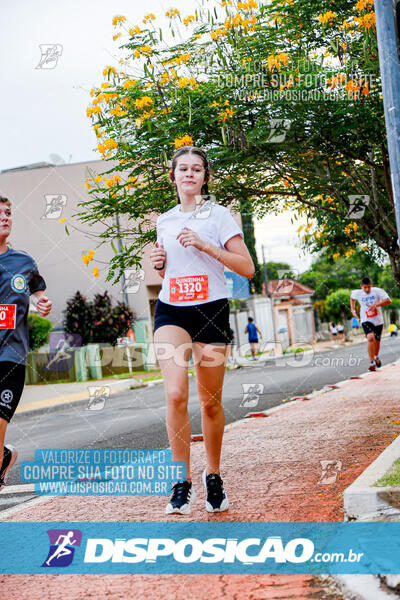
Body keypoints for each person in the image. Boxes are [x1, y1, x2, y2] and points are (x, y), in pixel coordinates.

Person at [150, 146, 254, 515]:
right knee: (176, 394)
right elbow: (170, 269)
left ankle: (213, 476)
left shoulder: (219, 215)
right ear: (173, 176)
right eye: (183, 169)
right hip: (171, 311)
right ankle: (182, 482)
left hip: (211, 311)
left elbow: (247, 268)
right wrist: (161, 264)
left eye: (197, 169)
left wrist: (208, 246)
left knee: (209, 402)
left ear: (205, 177)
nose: (190, 174)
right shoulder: (164, 220)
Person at [0, 196, 52, 492]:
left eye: (8, 212)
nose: (5, 217)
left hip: (11, 355)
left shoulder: (23, 262)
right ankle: (4, 457)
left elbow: (37, 293)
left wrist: (41, 303)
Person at [350, 276, 391, 371]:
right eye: (365, 287)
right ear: (361, 286)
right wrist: (352, 310)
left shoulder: (377, 291)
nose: (367, 289)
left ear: (371, 285)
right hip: (366, 319)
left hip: (378, 320)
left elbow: (389, 301)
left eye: (368, 287)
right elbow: (352, 298)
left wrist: (376, 304)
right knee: (370, 337)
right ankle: (372, 362)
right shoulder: (357, 293)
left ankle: (376, 356)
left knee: (377, 341)